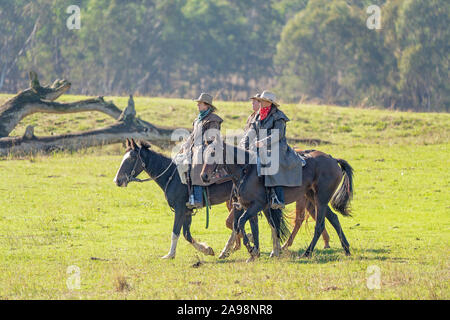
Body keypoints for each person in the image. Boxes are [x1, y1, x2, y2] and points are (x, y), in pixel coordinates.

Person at [243, 90, 305, 209]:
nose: (260, 103)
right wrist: (245, 143)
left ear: (269, 102)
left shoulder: (279, 116)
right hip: (260, 147)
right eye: (260, 100)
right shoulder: (258, 115)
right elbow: (252, 130)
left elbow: (278, 134)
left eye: (262, 101)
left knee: (270, 163)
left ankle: (278, 198)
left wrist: (263, 142)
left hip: (277, 147)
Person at [179, 93, 223, 209]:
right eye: (198, 103)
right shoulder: (198, 120)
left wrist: (199, 148)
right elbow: (192, 136)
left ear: (206, 105)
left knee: (196, 165)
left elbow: (212, 138)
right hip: (196, 149)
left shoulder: (213, 120)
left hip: (208, 150)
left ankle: (197, 199)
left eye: (200, 103)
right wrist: (185, 146)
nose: (197, 105)